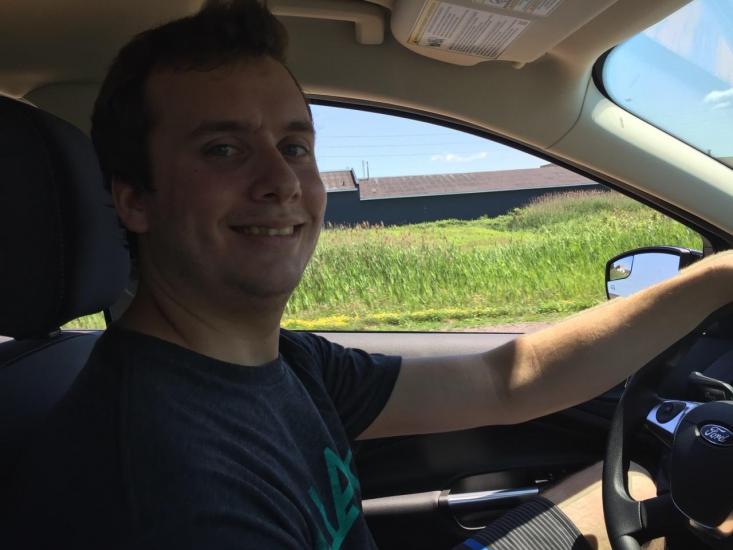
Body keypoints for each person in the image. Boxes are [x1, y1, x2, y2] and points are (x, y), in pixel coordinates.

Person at [11, 1, 730, 548]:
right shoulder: (172, 488)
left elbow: (508, 380)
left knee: (623, 487)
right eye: (223, 149)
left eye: (294, 145)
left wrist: (715, 278)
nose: (281, 181)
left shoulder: (279, 363)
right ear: (134, 199)